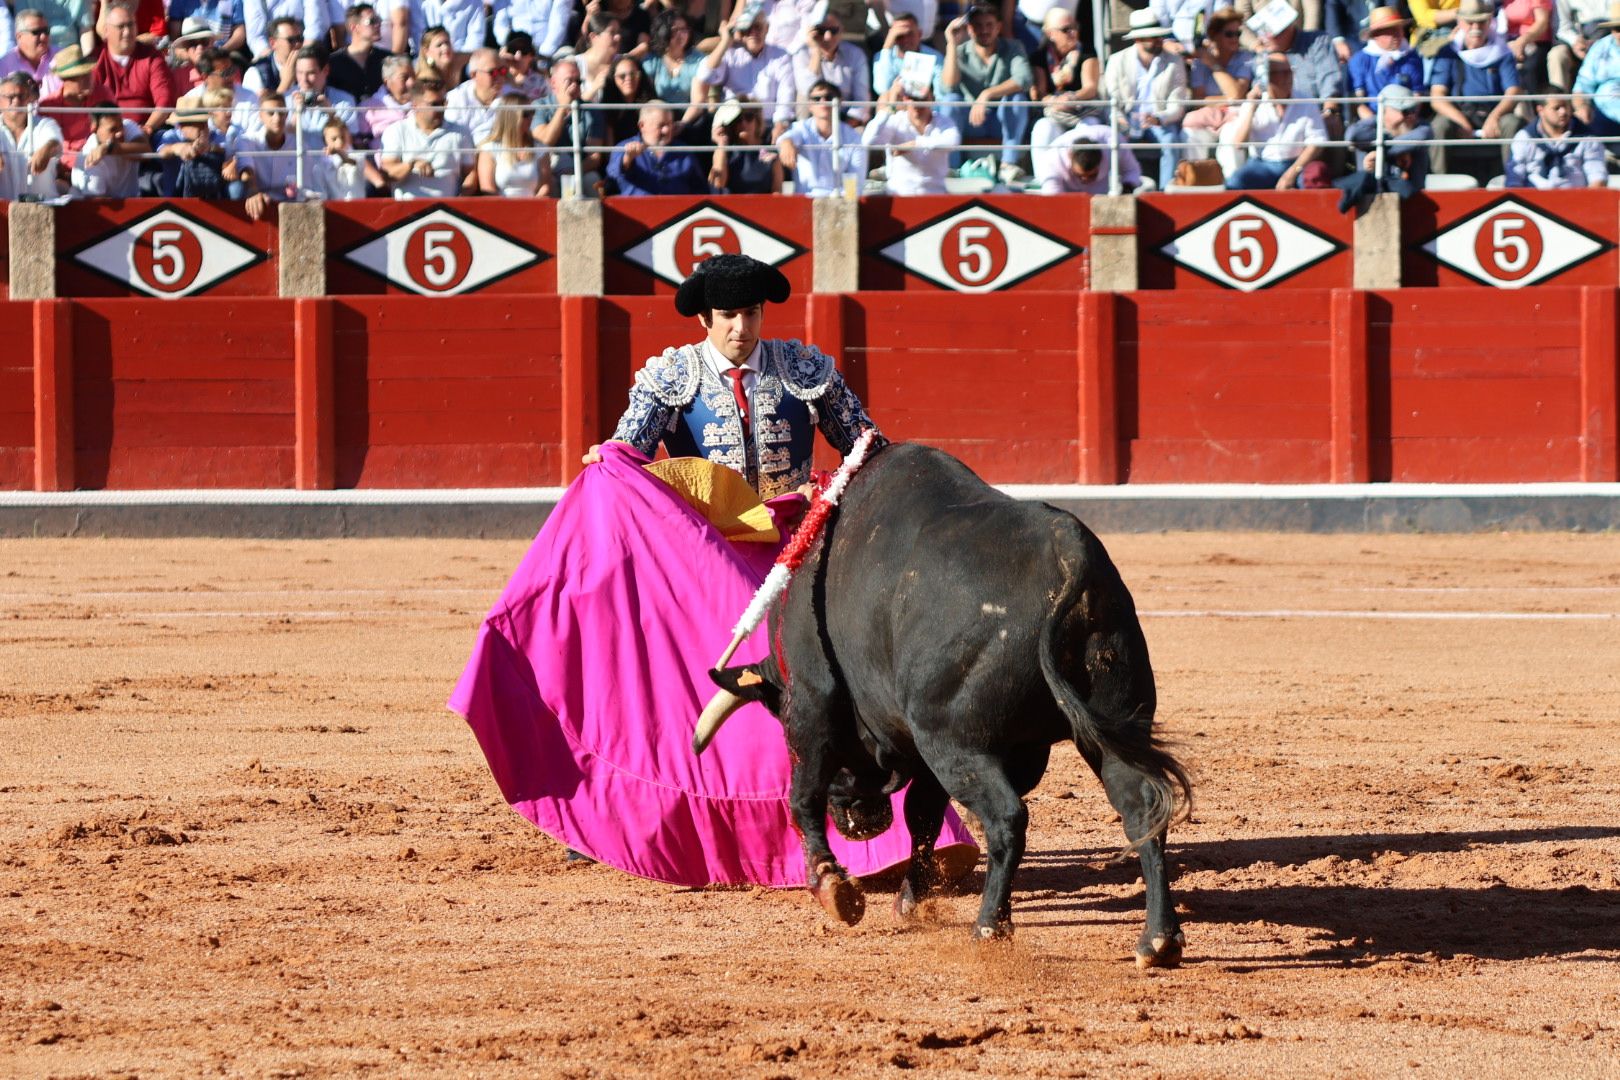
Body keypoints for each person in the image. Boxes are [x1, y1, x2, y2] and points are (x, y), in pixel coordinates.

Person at [449, 253, 979, 890]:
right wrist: (608, 461)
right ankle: (618, 821)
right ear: (705, 317)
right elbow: (627, 457)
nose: (741, 327)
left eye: (751, 313)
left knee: (847, 681)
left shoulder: (804, 370)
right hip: (703, 560)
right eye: (728, 315)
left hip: (801, 553)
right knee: (676, 689)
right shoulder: (673, 376)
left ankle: (882, 827)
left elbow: (868, 447)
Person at [1428, 0, 1525, 177]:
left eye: (1481, 22)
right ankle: (1439, 180)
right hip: (1459, 114)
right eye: (1470, 22)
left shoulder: (1502, 52)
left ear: (1489, 22)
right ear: (1460, 22)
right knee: (1439, 125)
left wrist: (1495, 117)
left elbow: (1513, 91)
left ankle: (1514, 178)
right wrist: (1461, 121)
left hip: (1493, 113)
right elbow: (1437, 96)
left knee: (1512, 123)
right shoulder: (1447, 53)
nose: (1476, 27)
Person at [942, 3, 1034, 184]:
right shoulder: (960, 52)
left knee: (1017, 99)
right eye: (978, 25)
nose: (984, 30)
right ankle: (951, 167)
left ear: (999, 26)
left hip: (1003, 120)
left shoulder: (1013, 47)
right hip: (970, 120)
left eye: (989, 25)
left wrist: (987, 94)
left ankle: (1008, 165)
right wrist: (951, 44)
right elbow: (948, 86)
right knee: (950, 101)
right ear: (969, 29)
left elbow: (1024, 79)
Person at [1103, 8, 1188, 191]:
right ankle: (1117, 189)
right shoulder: (1117, 61)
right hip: (1127, 120)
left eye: (1159, 36)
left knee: (1171, 141)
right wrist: (1121, 121)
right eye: (1153, 37)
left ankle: (1167, 192)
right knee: (1112, 140)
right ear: (1138, 40)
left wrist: (1159, 118)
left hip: (1160, 121)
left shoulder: (1174, 61)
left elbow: (1177, 101)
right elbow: (1112, 99)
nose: (1159, 41)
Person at [1223, 51, 1327, 188]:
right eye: (1281, 73)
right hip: (1261, 164)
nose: (1287, 77)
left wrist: (1291, 173)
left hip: (1296, 163)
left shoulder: (1306, 101)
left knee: (1314, 178)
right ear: (1268, 77)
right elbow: (1239, 144)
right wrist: (1251, 108)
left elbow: (1316, 143)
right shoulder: (1253, 102)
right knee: (1235, 183)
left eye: (1289, 72)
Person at [694, 8, 797, 140]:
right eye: (747, 28)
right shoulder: (730, 52)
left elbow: (786, 95)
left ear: (767, 29)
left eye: (758, 27)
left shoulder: (780, 55)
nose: (753, 33)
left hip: (767, 124)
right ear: (740, 31)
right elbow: (705, 75)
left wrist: (780, 124)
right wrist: (725, 41)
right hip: (733, 123)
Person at [1335, 82, 1431, 211]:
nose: (1411, 115)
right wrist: (1382, 126)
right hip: (1368, 199)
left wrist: (1378, 152)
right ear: (1386, 110)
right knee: (1363, 178)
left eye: (1414, 110)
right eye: (1406, 111)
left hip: (1410, 201)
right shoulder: (1370, 127)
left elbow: (1422, 136)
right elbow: (1352, 135)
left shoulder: (1421, 128)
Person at [92, 0, 178, 141]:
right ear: (106, 30)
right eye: (121, 27)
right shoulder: (96, 61)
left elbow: (165, 102)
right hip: (107, 136)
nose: (127, 32)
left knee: (169, 140)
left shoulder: (152, 57)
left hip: (148, 134)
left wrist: (147, 129)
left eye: (131, 25)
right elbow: (89, 107)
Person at [379, 74, 474, 197]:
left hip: (448, 212)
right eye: (434, 104)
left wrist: (462, 200)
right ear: (415, 105)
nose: (440, 109)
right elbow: (387, 174)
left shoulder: (460, 132)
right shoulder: (396, 131)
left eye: (443, 103)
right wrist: (411, 164)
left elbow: (470, 172)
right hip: (407, 211)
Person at [860, 87, 961, 194]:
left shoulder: (944, 122)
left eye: (922, 99)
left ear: (933, 99)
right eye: (912, 98)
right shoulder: (895, 120)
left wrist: (916, 144)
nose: (917, 103)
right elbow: (867, 141)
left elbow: (953, 141)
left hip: (935, 194)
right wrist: (891, 106)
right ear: (905, 99)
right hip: (900, 194)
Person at [777, 77, 866, 194]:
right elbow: (787, 137)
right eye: (817, 98)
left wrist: (840, 205)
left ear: (839, 102)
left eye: (829, 98)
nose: (823, 102)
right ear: (809, 105)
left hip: (839, 202)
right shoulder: (801, 128)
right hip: (804, 200)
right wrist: (786, 142)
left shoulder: (853, 137)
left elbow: (854, 186)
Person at [532, 57, 608, 195]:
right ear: (553, 83)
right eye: (569, 81)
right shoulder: (540, 106)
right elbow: (545, 142)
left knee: (593, 180)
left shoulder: (592, 111)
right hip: (547, 169)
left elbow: (595, 157)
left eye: (578, 81)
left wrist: (573, 172)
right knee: (548, 185)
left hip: (578, 169)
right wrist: (563, 108)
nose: (575, 85)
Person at [607, 99, 708, 194]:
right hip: (636, 210)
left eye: (670, 124)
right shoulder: (623, 147)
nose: (667, 130)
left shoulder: (684, 152)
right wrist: (627, 159)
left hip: (679, 211)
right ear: (642, 125)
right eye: (661, 125)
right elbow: (613, 176)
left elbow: (700, 189)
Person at [1506, 92, 1608, 186]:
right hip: (1533, 202)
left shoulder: (1586, 137)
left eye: (1565, 106)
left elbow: (1597, 177)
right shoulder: (1525, 137)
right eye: (1557, 108)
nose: (1563, 112)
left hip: (1575, 201)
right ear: (1541, 110)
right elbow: (1514, 180)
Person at [791, 11, 870, 124]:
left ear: (842, 31)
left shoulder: (855, 54)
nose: (827, 37)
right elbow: (806, 89)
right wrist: (816, 51)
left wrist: (842, 131)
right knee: (804, 97)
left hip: (845, 119)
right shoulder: (802, 53)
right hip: (812, 120)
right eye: (821, 31)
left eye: (833, 31)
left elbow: (861, 101)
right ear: (812, 32)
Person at [1348, 7, 1425, 120]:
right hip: (1371, 121)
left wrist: (1405, 120)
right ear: (1375, 35)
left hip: (1406, 120)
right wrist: (1378, 124)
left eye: (1398, 28)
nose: (1397, 34)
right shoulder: (1360, 60)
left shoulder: (1412, 58)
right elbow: (1358, 102)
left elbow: (1417, 95)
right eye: (1389, 30)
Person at [0, 72, 62, 200]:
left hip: (42, 210)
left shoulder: (45, 124)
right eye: (10, 97)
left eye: (21, 96)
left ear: (30, 99)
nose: (16, 101)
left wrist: (46, 150)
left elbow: (55, 141)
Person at [237, 92, 300, 216]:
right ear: (261, 116)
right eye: (271, 113)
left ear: (287, 115)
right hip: (259, 201)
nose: (277, 118)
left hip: (291, 203)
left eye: (281, 113)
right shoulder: (245, 140)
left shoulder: (299, 144)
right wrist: (253, 190)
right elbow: (246, 169)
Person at [38, 44, 100, 167]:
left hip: (97, 163)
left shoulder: (103, 94)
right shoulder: (47, 106)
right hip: (60, 168)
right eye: (81, 76)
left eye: (89, 72)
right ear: (65, 80)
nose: (89, 79)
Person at [477, 90, 550, 195]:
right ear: (511, 116)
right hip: (500, 208)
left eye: (532, 112)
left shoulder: (540, 148)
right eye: (525, 114)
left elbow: (545, 186)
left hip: (533, 207)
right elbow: (487, 188)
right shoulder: (489, 149)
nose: (531, 118)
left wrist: (532, 209)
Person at [1037, 118, 1141, 191]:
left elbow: (1132, 170)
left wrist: (1126, 190)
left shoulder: (1113, 142)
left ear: (1102, 159)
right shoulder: (1052, 160)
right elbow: (1053, 200)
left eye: (1092, 175)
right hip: (1065, 197)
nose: (1085, 180)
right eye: (1079, 175)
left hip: (1101, 199)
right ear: (1070, 156)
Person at [154, 98, 231, 196]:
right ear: (181, 126)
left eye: (204, 121)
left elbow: (228, 150)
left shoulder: (215, 135)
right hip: (175, 198)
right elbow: (161, 152)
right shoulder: (171, 136)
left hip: (214, 198)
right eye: (196, 123)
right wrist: (177, 148)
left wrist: (210, 148)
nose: (203, 126)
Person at [70, 102, 150, 196]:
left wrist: (109, 147)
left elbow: (146, 150)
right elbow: (97, 203)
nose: (120, 133)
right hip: (93, 205)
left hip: (132, 201)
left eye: (121, 126)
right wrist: (110, 147)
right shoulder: (91, 158)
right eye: (113, 129)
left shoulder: (127, 125)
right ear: (94, 129)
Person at [708, 97, 783, 193]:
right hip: (731, 206)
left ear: (757, 121)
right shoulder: (724, 151)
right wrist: (721, 143)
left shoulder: (771, 152)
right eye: (738, 119)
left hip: (763, 206)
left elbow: (777, 191)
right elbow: (718, 184)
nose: (743, 123)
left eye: (749, 117)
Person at [444, 46, 513, 145]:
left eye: (502, 71)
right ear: (473, 75)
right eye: (492, 72)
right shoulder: (456, 99)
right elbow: (452, 139)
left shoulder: (511, 96)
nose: (499, 77)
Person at [1575, 2, 1620, 138]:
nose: (1619, 33)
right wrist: (1582, 106)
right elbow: (1582, 86)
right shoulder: (1600, 48)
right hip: (1604, 118)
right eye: (1616, 28)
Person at [329, 4, 391, 101]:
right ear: (354, 27)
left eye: (378, 20)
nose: (378, 24)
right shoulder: (333, 63)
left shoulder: (387, 59)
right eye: (372, 21)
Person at [1, 9, 61, 98]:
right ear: (19, 36)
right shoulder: (4, 65)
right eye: (36, 32)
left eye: (46, 31)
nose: (43, 36)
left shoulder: (62, 56)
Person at [494, 0, 575, 63]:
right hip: (515, 46)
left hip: (551, 51)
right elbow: (500, 23)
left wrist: (541, 55)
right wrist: (510, 45)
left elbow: (559, 22)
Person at [243, 16, 303, 97]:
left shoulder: (311, 65)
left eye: (299, 39)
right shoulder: (256, 73)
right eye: (291, 40)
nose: (298, 44)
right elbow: (253, 109)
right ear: (273, 43)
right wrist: (285, 83)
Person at [602, 53, 655, 144]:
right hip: (618, 156)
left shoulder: (651, 105)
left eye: (633, 74)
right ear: (613, 79)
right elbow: (609, 151)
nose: (628, 79)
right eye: (622, 76)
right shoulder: (607, 107)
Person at [360, 53, 412, 141]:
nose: (411, 82)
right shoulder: (368, 108)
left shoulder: (425, 104)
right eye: (404, 78)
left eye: (414, 77)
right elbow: (360, 144)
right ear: (387, 82)